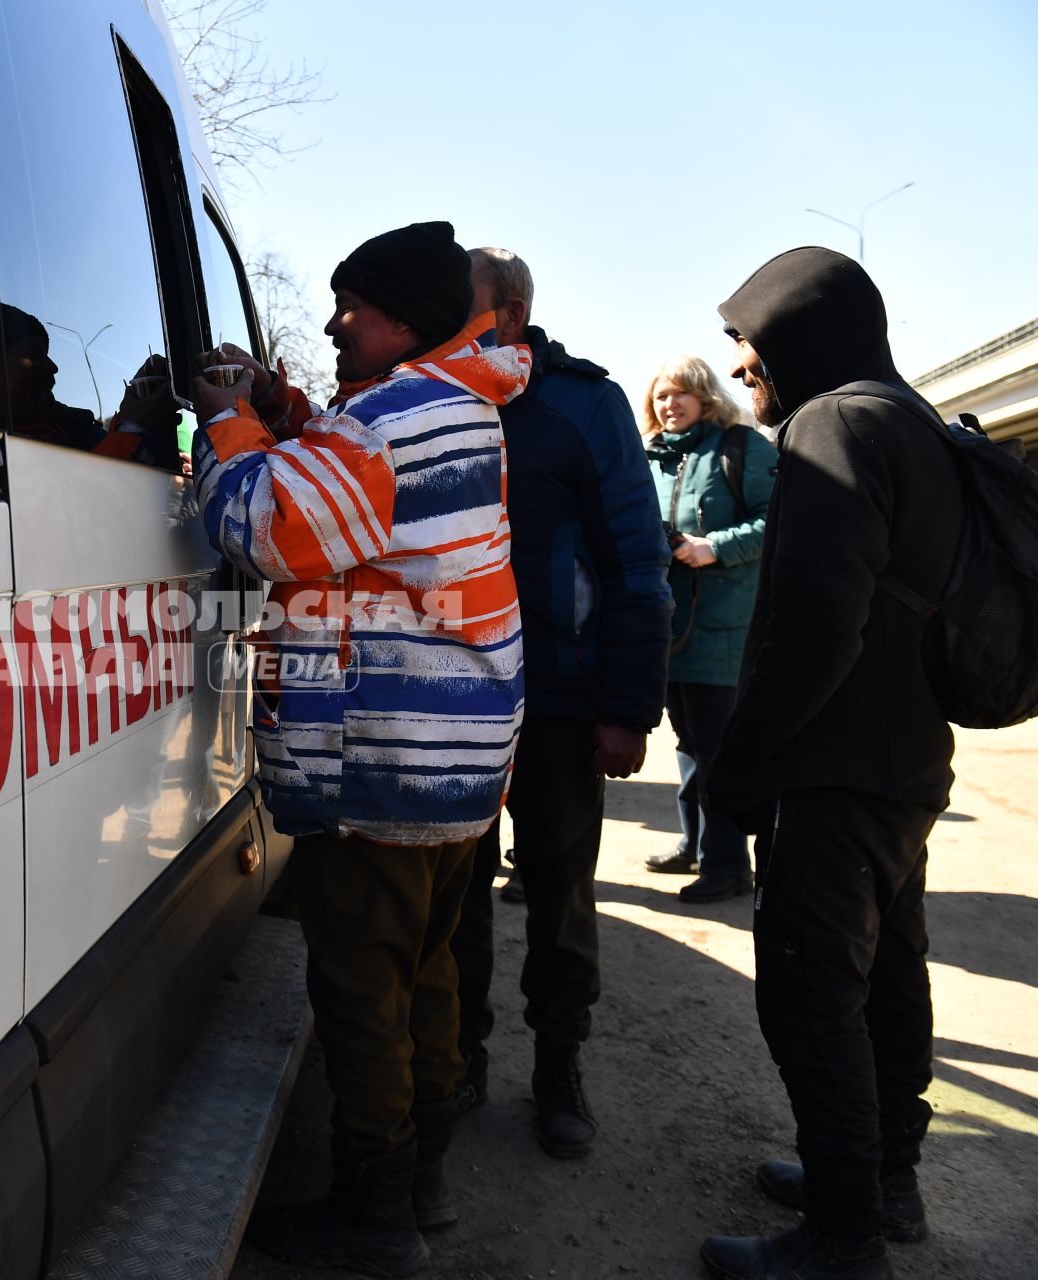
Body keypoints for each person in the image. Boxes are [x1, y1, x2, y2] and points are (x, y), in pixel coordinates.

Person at [193, 222, 528, 1276]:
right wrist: (286, 411)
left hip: (385, 757)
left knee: (359, 989)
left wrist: (225, 424)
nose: (336, 322)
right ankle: (421, 1182)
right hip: (453, 757)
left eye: (355, 304)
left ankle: (374, 1218)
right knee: (424, 971)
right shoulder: (449, 403)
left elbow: (267, 524)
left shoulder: (391, 421)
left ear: (407, 318)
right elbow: (355, 488)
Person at [696, 248, 964, 1280]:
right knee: (887, 976)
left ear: (800, 330)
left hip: (836, 763)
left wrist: (743, 762)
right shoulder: (908, 418)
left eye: (747, 339)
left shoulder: (834, 424)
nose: (739, 362)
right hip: (901, 761)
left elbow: (815, 623)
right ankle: (882, 1182)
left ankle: (845, 1236)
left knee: (812, 994)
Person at [447, 249, 672, 1158]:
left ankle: (558, 1070)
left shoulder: (587, 404)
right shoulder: (434, 395)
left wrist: (628, 707)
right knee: (453, 892)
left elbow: (637, 562)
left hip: (562, 700)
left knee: (558, 894)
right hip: (455, 699)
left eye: (456, 304)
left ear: (508, 311)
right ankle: (459, 1059)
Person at [639, 354, 777, 903]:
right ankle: (695, 845)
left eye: (678, 394)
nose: (668, 405)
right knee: (688, 742)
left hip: (723, 630)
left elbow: (777, 523)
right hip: (669, 627)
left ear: (703, 396)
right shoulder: (647, 458)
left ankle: (728, 864)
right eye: (659, 397)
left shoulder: (742, 448)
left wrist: (712, 548)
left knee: (717, 747)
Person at [0, 300, 183, 468]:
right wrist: (134, 430)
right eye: (32, 356)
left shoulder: (69, 430)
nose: (53, 368)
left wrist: (144, 429)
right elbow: (80, 519)